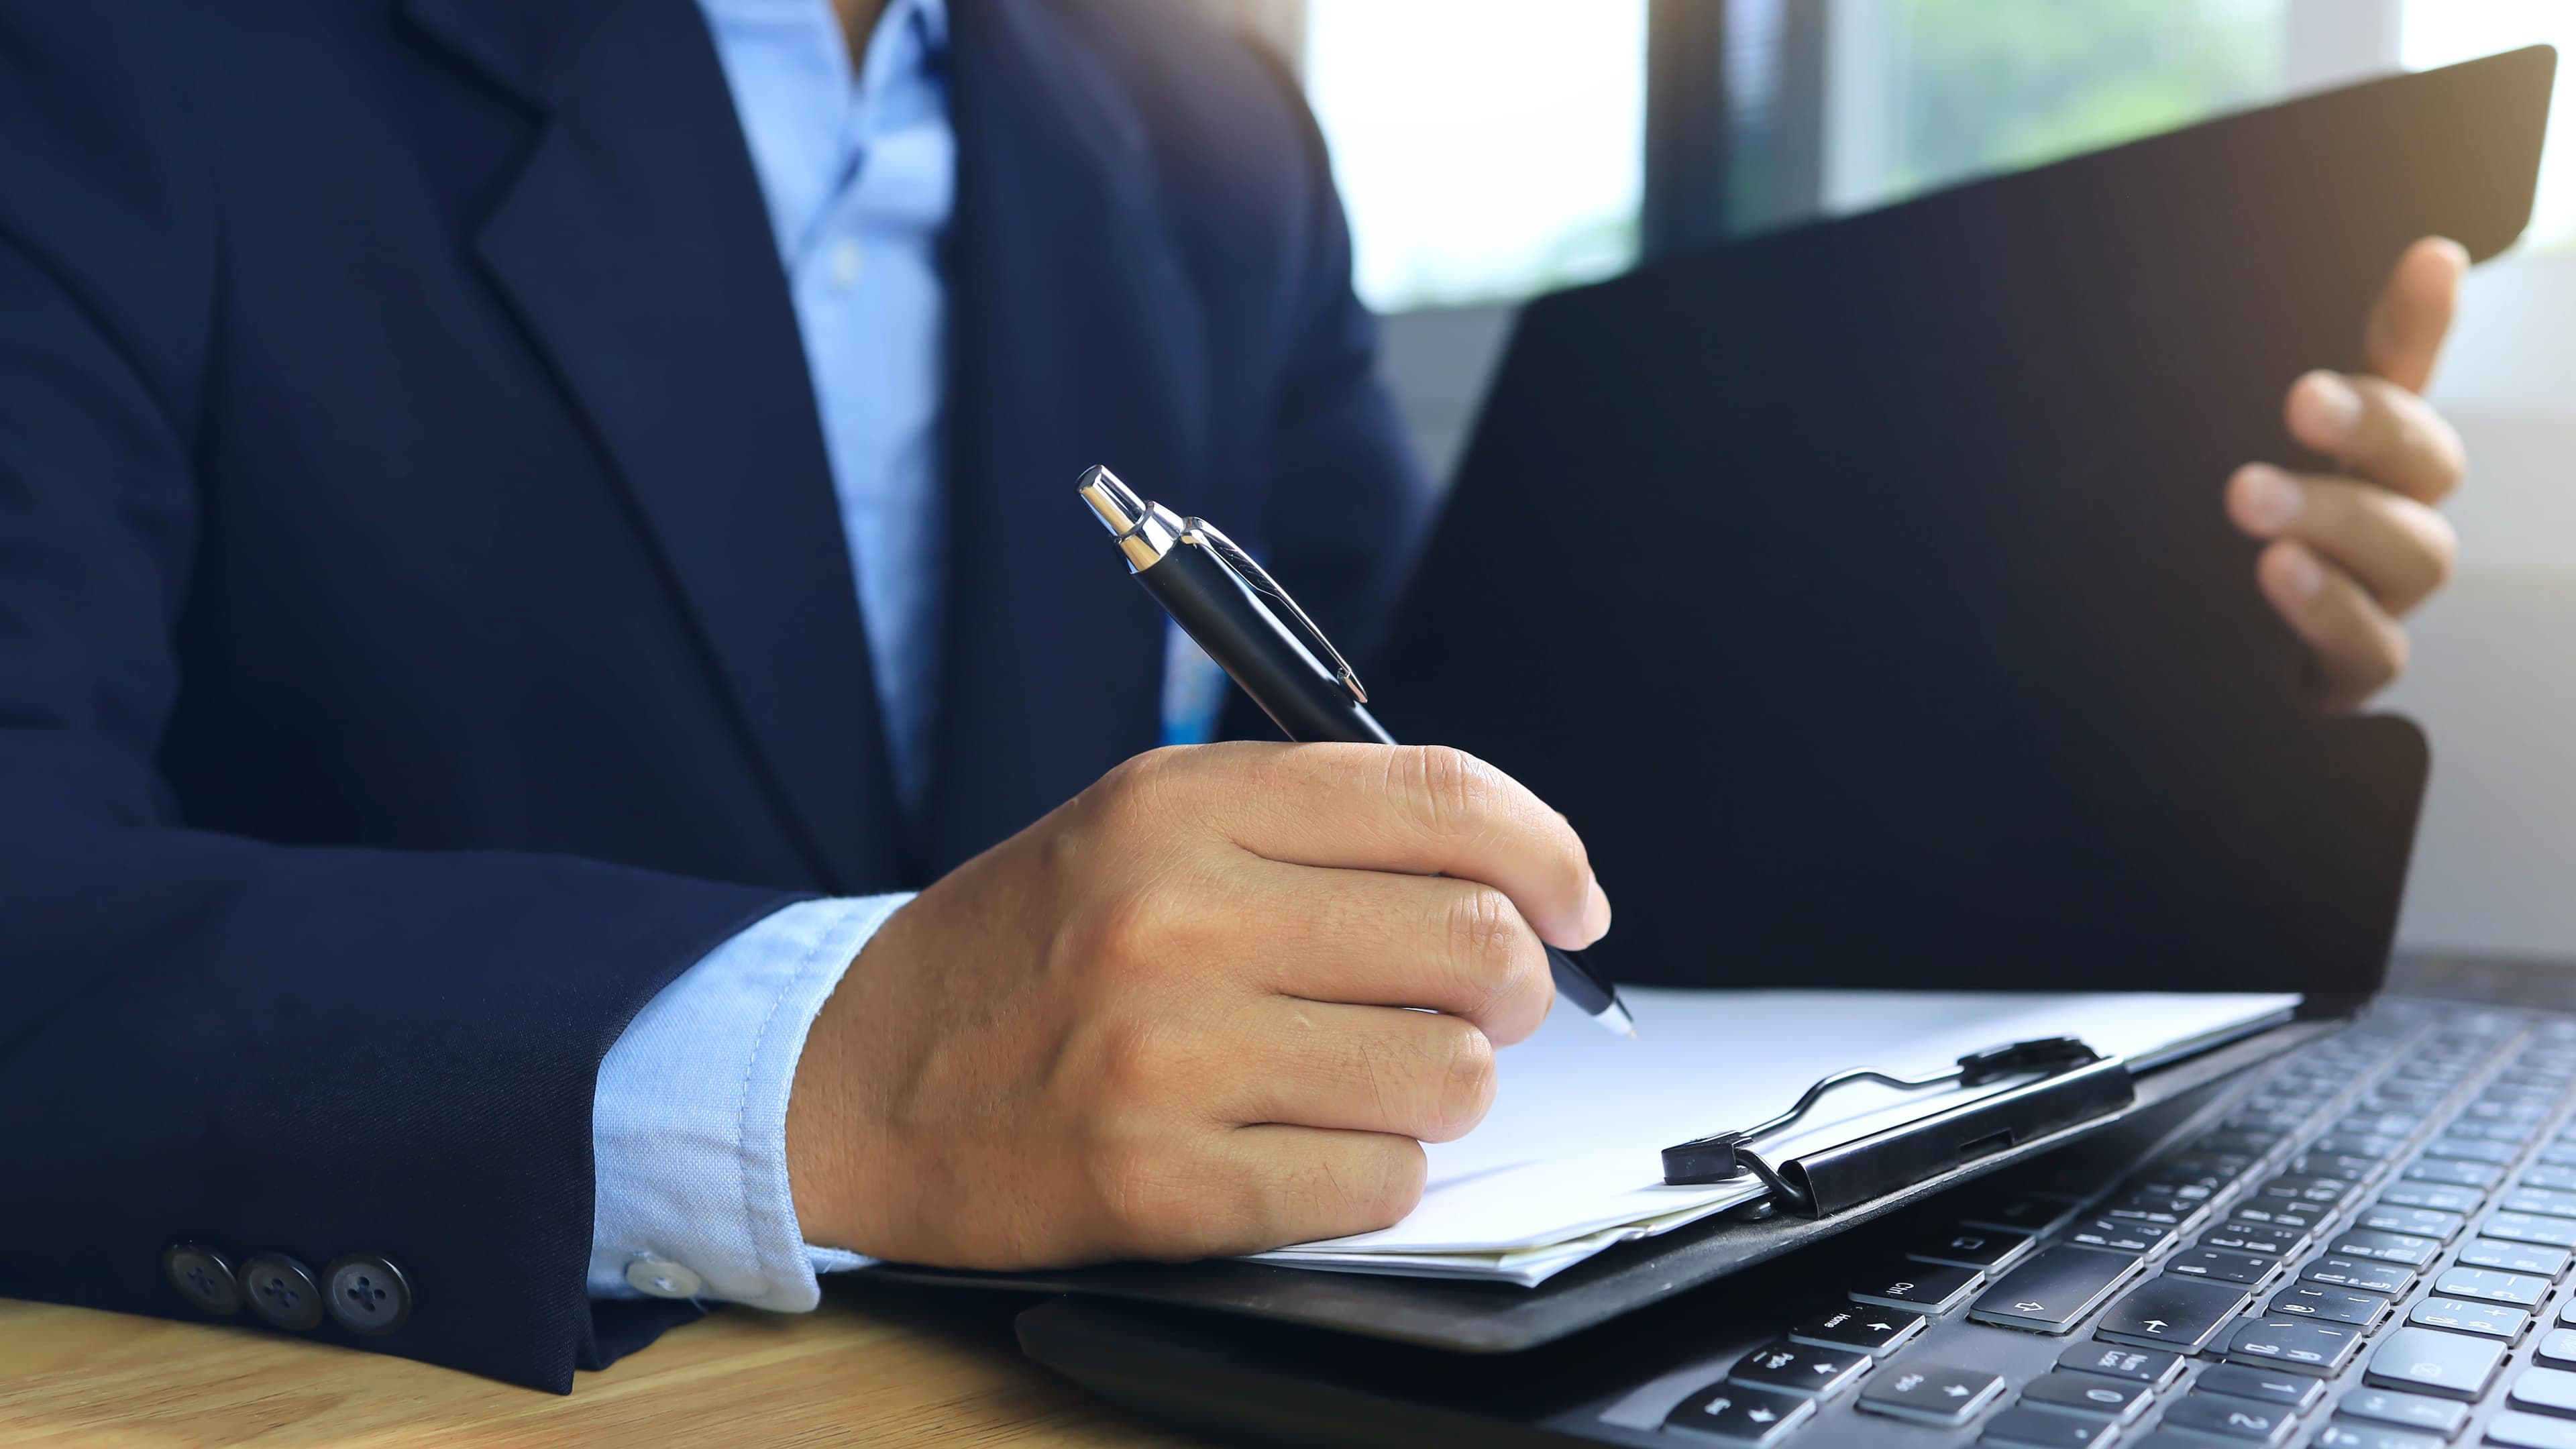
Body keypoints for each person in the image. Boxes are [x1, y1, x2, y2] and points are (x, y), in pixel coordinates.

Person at [0, 0, 2469, 1394]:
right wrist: (834, 1068)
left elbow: (1466, 769)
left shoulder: (1203, 133)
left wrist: (2138, 647)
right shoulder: (119, 63)